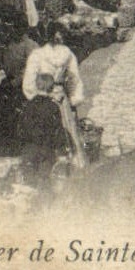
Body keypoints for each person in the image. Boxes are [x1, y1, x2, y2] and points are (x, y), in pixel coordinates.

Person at [22, 21, 85, 165]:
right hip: (61, 96)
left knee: (45, 134)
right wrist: (74, 99)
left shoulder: (37, 55)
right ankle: (71, 165)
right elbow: (74, 78)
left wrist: (36, 97)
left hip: (43, 95)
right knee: (67, 131)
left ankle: (47, 164)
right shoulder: (67, 53)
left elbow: (29, 82)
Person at [18, 70, 69, 186]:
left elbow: (21, 129)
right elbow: (58, 131)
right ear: (51, 87)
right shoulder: (53, 106)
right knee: (45, 183)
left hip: (30, 150)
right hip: (46, 151)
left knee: (30, 184)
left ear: (37, 86)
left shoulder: (28, 105)